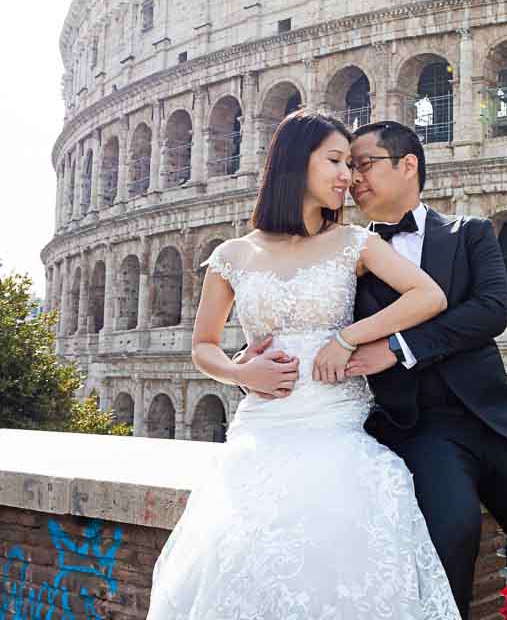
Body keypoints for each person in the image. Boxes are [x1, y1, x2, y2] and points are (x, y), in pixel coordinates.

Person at [147, 110, 459, 619]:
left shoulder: (356, 242)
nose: (348, 176)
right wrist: (239, 373)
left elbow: (428, 296)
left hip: (335, 426)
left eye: (351, 164)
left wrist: (347, 336)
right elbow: (203, 345)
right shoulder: (234, 254)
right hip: (262, 432)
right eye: (336, 161)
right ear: (295, 163)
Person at [315, 120, 507, 619]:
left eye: (364, 164)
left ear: (408, 165)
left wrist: (400, 345)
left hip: (499, 420)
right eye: (347, 167)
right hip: (419, 429)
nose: (353, 178)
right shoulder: (346, 256)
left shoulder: (469, 232)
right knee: (450, 542)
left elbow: (490, 311)